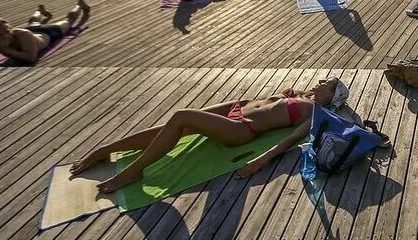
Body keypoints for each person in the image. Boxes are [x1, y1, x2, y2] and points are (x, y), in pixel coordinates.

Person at [70, 78, 351, 193]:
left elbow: (289, 140)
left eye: (327, 84)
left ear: (332, 97)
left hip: (242, 129)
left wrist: (260, 161)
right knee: (174, 125)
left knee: (182, 116)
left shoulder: (315, 113)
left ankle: (134, 171)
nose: (320, 82)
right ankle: (105, 150)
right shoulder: (302, 95)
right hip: (237, 108)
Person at [0, 1, 90, 66]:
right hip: (32, 29)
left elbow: (31, 58)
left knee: (68, 21)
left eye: (7, 31)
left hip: (47, 33)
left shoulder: (23, 35)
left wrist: (6, 50)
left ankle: (79, 5)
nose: (5, 36)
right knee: (33, 22)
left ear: (11, 28)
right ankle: (39, 11)